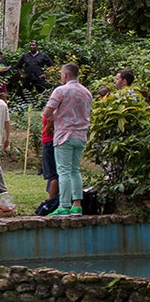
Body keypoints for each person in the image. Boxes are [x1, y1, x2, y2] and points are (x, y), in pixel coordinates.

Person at [44, 62, 92, 216]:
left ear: (65, 74)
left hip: (64, 135)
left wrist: (53, 115)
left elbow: (47, 112)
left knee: (63, 171)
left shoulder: (61, 91)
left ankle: (64, 205)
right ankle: (77, 204)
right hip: (81, 135)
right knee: (75, 171)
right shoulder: (86, 92)